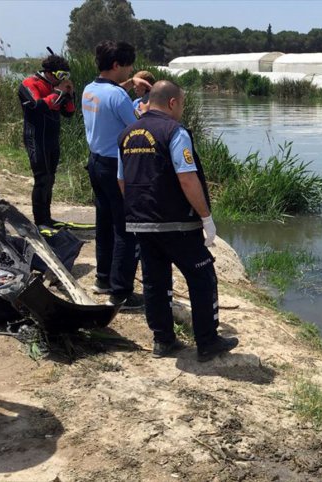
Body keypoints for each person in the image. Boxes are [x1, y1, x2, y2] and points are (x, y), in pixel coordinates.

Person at [117, 80, 238, 361]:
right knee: (202, 275)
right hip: (177, 223)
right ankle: (208, 341)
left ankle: (163, 340)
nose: (182, 110)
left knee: (155, 281)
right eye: (181, 104)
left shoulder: (127, 133)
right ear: (172, 103)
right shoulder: (174, 131)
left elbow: (122, 181)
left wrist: (137, 212)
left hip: (141, 223)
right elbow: (186, 177)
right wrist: (206, 217)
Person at [81, 40, 151, 309]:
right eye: (128, 65)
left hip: (96, 162)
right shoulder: (119, 97)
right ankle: (121, 291)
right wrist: (146, 107)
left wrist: (129, 84)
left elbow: (110, 98)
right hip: (115, 167)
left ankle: (103, 279)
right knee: (125, 229)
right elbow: (137, 127)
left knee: (104, 222)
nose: (131, 70)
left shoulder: (90, 89)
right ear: (116, 65)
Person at [18, 51, 75, 232]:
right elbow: (36, 106)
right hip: (35, 137)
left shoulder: (56, 86)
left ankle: (47, 218)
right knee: (42, 178)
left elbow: (69, 113)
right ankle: (40, 221)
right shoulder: (29, 83)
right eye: (60, 76)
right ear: (49, 73)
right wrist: (57, 92)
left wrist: (70, 94)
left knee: (50, 179)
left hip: (52, 139)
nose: (62, 79)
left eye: (65, 76)